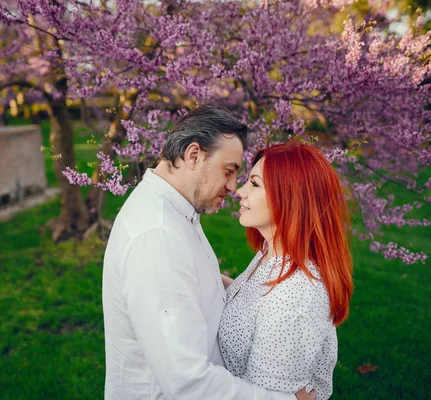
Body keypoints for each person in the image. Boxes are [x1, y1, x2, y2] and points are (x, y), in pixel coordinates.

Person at [102, 106, 315, 400]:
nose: (232, 187)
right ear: (193, 155)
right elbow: (188, 383)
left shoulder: (178, 211)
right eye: (228, 171)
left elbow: (192, 283)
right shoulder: (158, 237)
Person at [219, 142, 354, 400]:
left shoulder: (296, 296)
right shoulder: (273, 254)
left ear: (289, 197)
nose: (239, 191)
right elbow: (251, 297)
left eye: (255, 184)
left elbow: (265, 395)